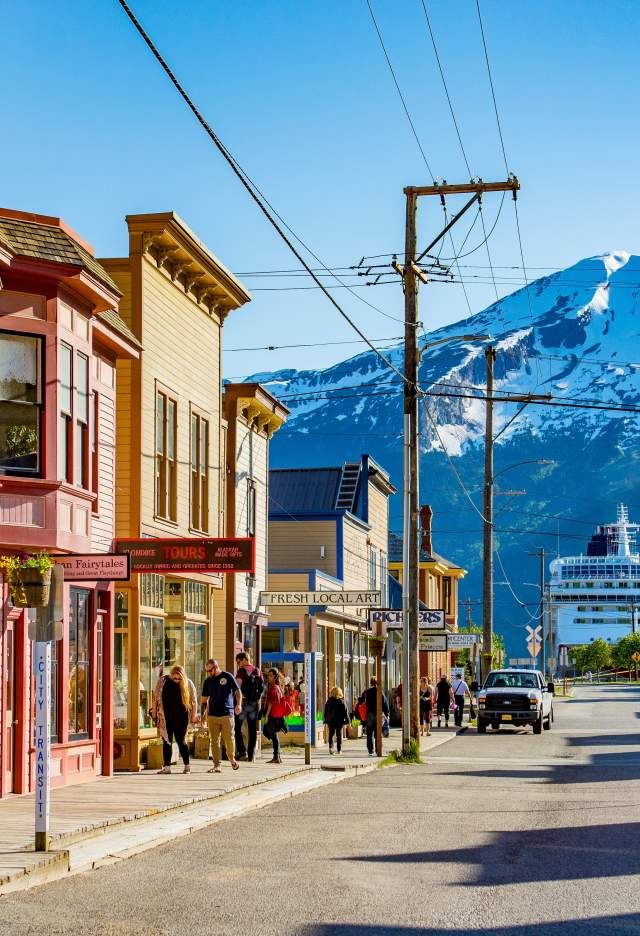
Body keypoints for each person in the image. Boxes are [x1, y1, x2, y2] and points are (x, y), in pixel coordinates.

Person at [152, 665, 197, 775]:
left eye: (179, 678)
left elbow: (194, 701)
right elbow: (155, 698)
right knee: (166, 741)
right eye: (174, 678)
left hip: (182, 717)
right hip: (166, 716)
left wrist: (193, 717)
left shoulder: (188, 683)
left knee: (181, 741)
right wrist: (154, 714)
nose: (177, 680)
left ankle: (187, 766)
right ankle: (167, 767)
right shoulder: (163, 681)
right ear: (171, 675)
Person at [200, 659, 241, 774]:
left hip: (227, 714)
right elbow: (203, 700)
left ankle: (232, 758)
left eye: (210, 670)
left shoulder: (227, 676)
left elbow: (238, 692)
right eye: (207, 671)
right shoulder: (207, 681)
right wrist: (203, 716)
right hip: (212, 715)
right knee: (214, 741)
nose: (209, 673)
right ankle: (217, 765)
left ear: (216, 667)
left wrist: (239, 705)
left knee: (229, 739)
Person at [234, 651, 264, 763]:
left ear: (244, 659)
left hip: (243, 703)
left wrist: (236, 703)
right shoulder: (258, 671)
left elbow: (237, 687)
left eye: (239, 661)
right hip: (254, 704)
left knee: (237, 728)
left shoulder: (241, 671)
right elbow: (262, 688)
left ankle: (242, 752)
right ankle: (251, 755)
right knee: (252, 730)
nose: (238, 664)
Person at [358, 677, 389, 757]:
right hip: (378, 714)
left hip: (369, 714)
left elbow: (360, 700)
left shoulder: (367, 691)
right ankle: (378, 749)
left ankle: (370, 750)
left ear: (370, 683)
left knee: (369, 733)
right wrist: (387, 713)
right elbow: (385, 703)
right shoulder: (379, 691)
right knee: (378, 733)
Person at [263, 668, 286, 764]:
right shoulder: (276, 687)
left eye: (271, 675)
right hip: (276, 715)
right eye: (268, 675)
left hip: (273, 715)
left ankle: (276, 756)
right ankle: (277, 756)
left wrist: (267, 715)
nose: (268, 677)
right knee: (272, 734)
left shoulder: (274, 687)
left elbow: (272, 703)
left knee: (273, 734)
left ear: (275, 677)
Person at [324, 686, 350, 754]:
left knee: (331, 734)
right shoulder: (341, 702)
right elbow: (345, 712)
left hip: (331, 720)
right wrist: (347, 721)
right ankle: (339, 749)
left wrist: (326, 719)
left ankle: (331, 748)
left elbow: (326, 711)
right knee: (339, 735)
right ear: (340, 693)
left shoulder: (329, 701)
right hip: (339, 721)